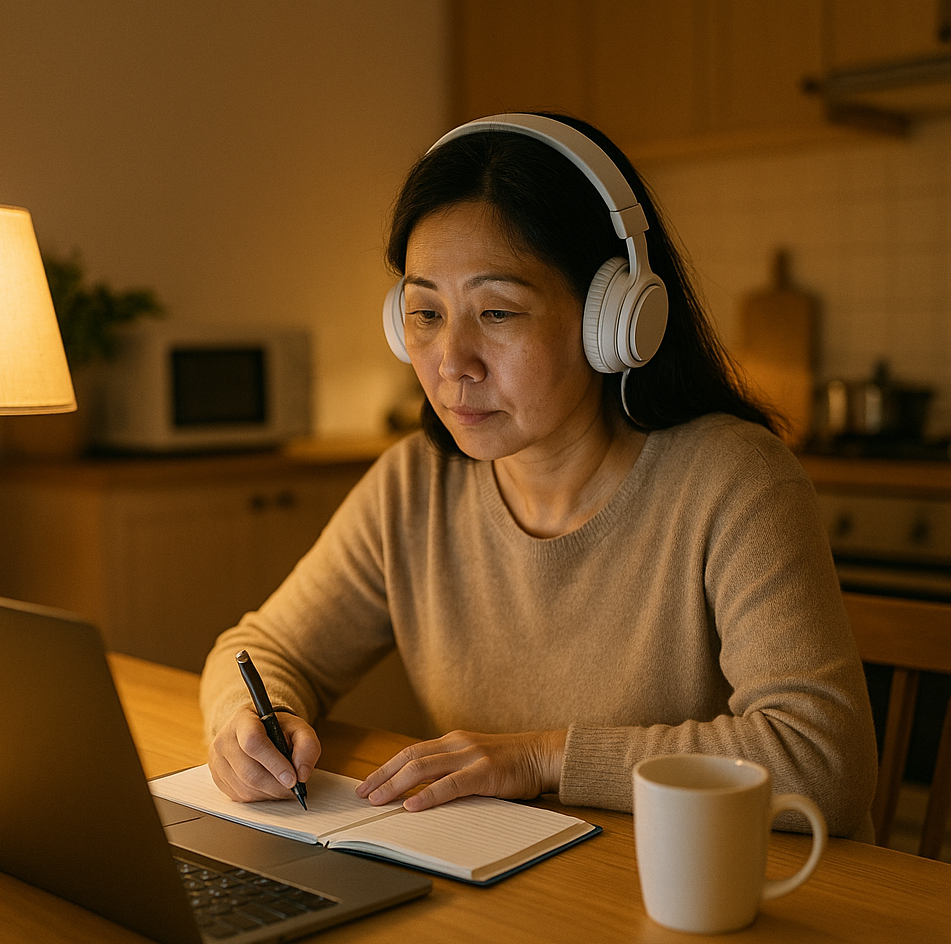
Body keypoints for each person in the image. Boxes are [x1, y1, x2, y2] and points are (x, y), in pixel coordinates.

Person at [199, 113, 878, 840]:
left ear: (613, 319)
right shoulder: (415, 486)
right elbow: (262, 650)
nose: (451, 360)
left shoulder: (733, 481)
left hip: (713, 908)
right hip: (521, 901)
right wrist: (242, 727)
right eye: (425, 312)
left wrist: (543, 757)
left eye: (497, 311)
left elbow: (823, 759)